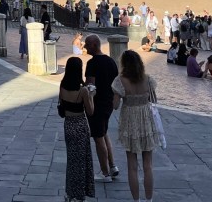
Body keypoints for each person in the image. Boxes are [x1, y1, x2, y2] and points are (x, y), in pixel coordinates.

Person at [112, 50, 159, 202]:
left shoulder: (120, 81)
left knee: (132, 165)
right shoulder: (148, 79)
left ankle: (136, 200)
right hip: (146, 120)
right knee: (148, 165)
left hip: (130, 122)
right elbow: (154, 100)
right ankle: (149, 199)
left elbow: (115, 106)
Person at [58, 56, 95, 202]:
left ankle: (70, 192)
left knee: (72, 160)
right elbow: (90, 111)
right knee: (81, 161)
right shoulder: (83, 90)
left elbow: (61, 104)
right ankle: (79, 194)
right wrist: (91, 95)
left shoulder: (62, 86)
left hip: (68, 125)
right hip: (80, 125)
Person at [84, 35, 120, 183]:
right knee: (104, 133)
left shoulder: (92, 63)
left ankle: (105, 173)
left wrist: (85, 97)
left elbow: (90, 86)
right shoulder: (111, 61)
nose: (85, 47)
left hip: (97, 104)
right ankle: (112, 166)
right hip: (108, 102)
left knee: (98, 138)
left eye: (87, 44)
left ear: (94, 45)